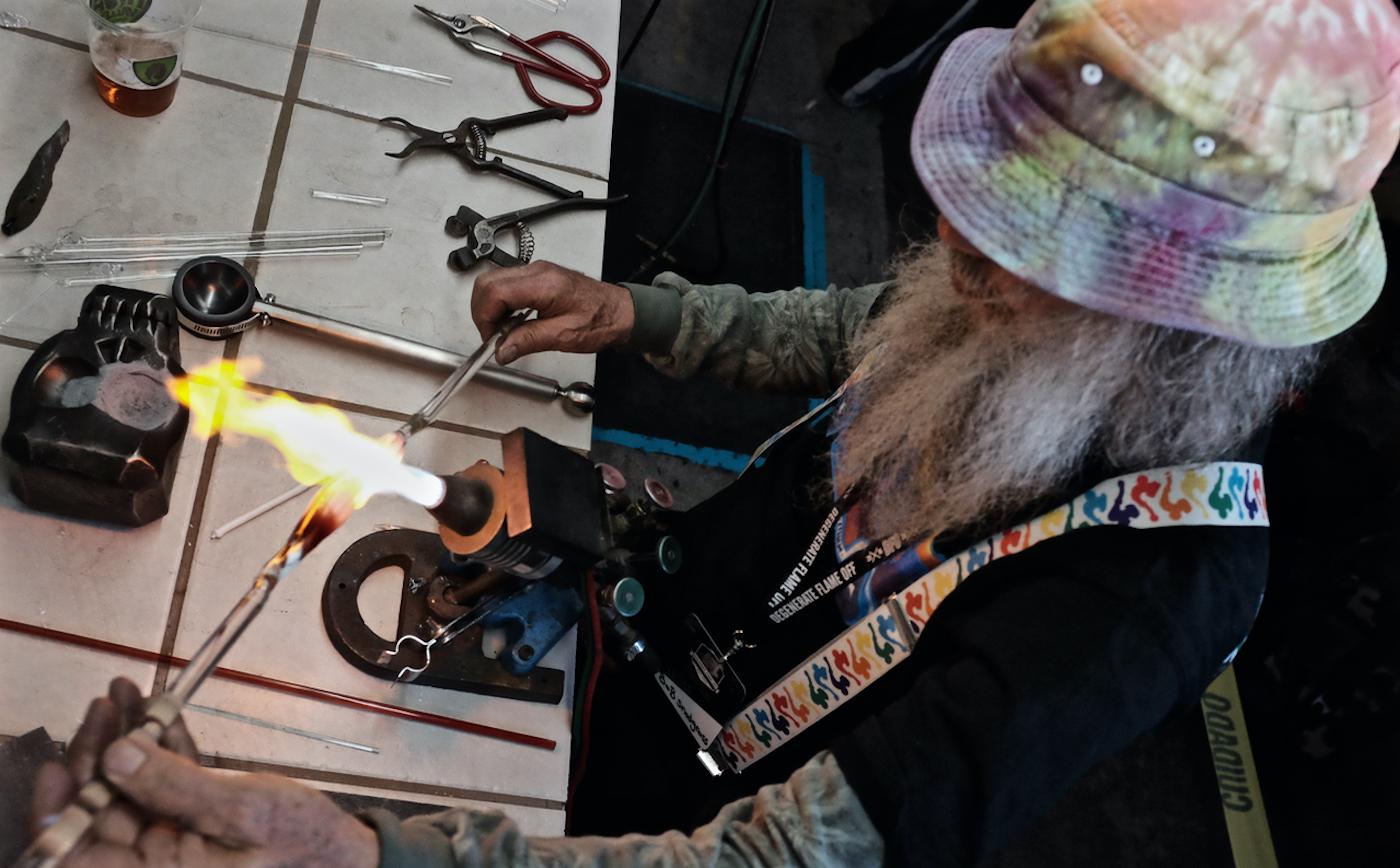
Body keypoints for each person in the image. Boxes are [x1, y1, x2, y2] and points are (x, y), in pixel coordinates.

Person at [29, 0, 1400, 864]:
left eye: (1031, 249)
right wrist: (636, 315)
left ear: (1178, 319)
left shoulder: (1130, 612)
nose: (963, 253)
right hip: (671, 636)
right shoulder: (1021, 305)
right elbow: (870, 324)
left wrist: (362, 850)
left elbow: (774, 861)